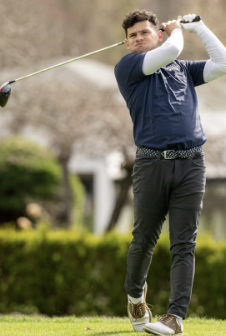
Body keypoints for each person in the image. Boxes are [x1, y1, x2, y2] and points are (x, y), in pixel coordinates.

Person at [114, 10, 226, 335]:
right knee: (143, 240)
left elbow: (222, 63)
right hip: (151, 164)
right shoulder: (128, 67)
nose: (138, 38)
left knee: (184, 243)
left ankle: (174, 318)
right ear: (126, 43)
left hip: (192, 164)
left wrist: (200, 29)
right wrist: (178, 30)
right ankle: (136, 296)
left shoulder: (183, 70)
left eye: (144, 33)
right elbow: (173, 50)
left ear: (156, 34)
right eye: (132, 35)